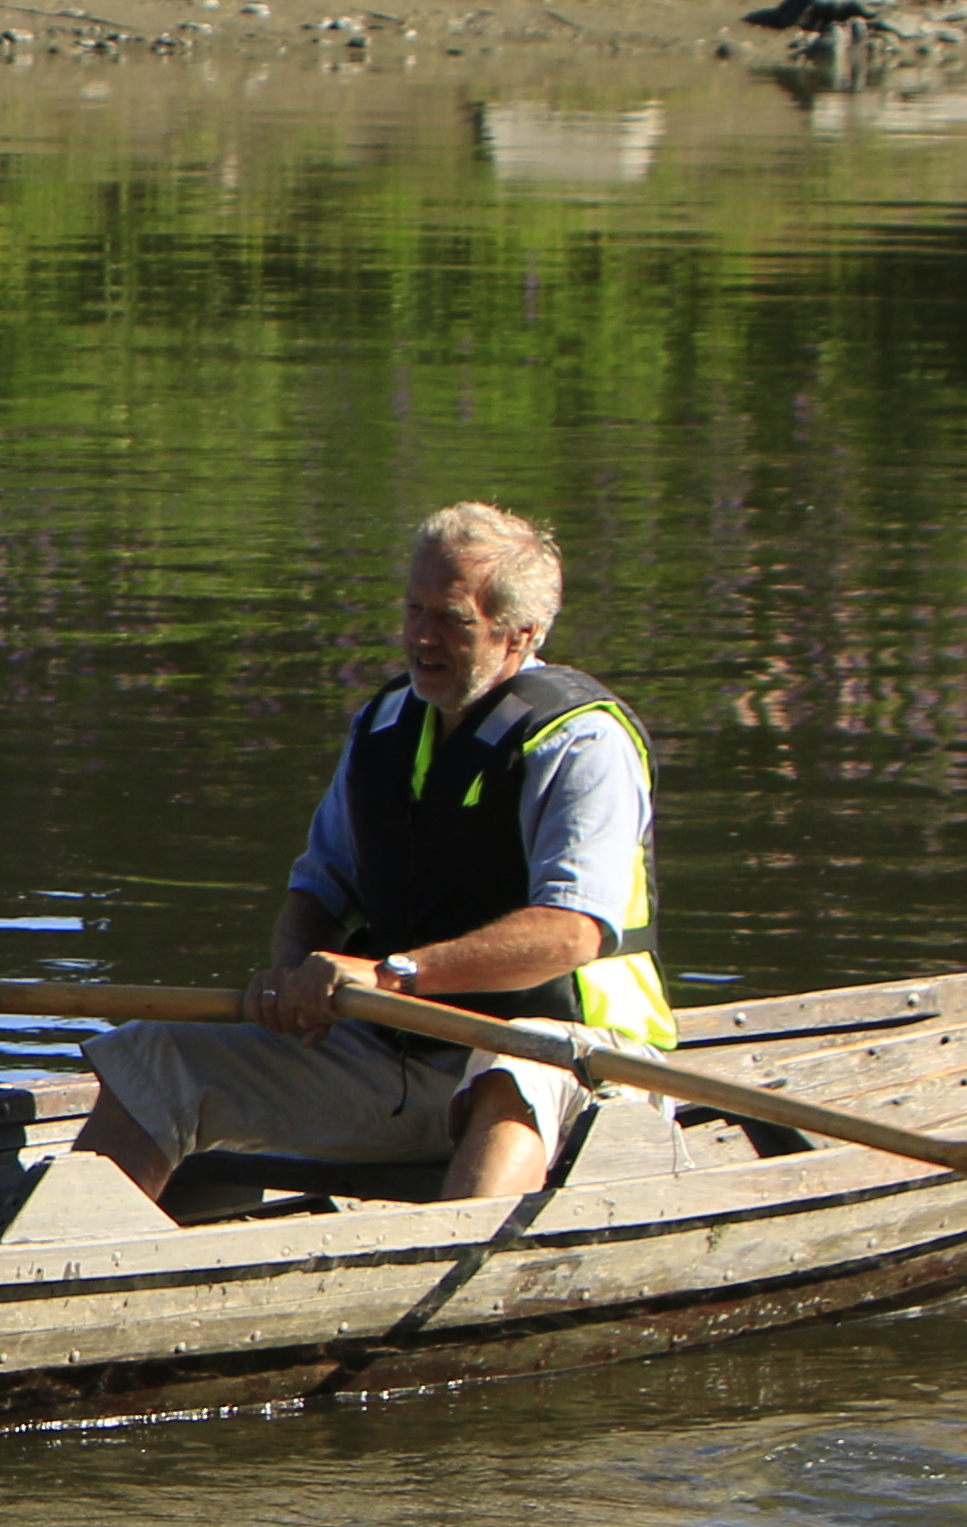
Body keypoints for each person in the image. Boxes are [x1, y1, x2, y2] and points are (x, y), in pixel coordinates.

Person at [71, 500, 669, 1210]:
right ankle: (55, 1264)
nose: (421, 637)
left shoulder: (581, 742)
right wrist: (292, 976)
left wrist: (392, 976)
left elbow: (573, 932)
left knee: (516, 1068)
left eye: (451, 619)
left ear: (521, 633)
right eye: (414, 609)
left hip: (582, 1060)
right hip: (398, 1049)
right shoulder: (385, 725)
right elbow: (320, 888)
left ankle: (453, 1290)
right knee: (155, 1056)